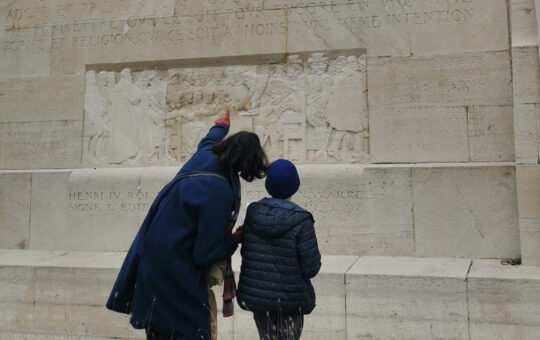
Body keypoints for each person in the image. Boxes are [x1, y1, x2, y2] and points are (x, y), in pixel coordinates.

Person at [106, 110, 268, 340]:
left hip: (151, 266)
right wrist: (235, 239)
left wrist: (221, 125)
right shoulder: (219, 190)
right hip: (176, 276)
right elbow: (205, 252)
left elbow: (209, 139)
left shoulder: (204, 156)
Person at [236, 159, 322, 340]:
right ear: (295, 185)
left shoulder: (252, 213)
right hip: (291, 300)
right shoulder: (301, 219)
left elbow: (247, 255)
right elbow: (311, 268)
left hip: (259, 299)